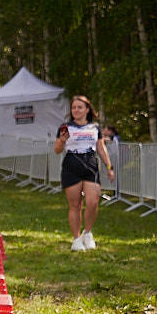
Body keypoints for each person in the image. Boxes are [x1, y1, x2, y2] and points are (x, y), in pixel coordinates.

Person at [54, 95, 113, 251]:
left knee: (93, 203)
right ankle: (76, 239)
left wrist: (109, 167)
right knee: (76, 205)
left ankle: (87, 233)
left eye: (80, 107)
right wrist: (61, 140)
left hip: (91, 166)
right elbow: (57, 150)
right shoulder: (65, 127)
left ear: (87, 109)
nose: (76, 110)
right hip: (71, 167)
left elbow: (101, 148)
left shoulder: (94, 128)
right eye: (74, 107)